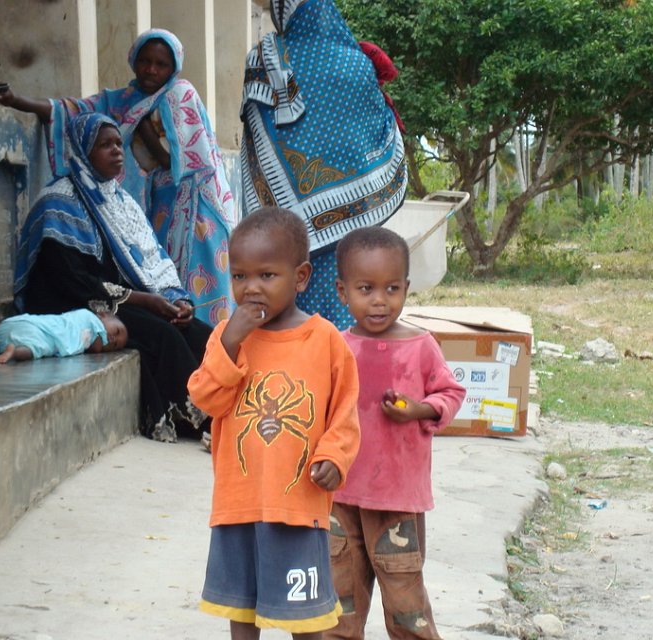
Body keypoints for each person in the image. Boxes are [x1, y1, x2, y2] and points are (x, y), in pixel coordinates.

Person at [187, 206, 361, 638]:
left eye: (267, 275)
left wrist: (334, 457)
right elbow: (206, 399)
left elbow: (344, 413)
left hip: (298, 506)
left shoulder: (325, 340)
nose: (251, 288)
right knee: (241, 609)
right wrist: (230, 342)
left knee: (306, 615)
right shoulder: (226, 337)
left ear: (300, 277)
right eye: (240, 276)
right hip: (238, 502)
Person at [0, 28, 236, 325]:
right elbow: (69, 110)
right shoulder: (124, 100)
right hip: (161, 203)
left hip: (196, 206)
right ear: (134, 61)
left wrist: (143, 128)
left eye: (161, 64)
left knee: (201, 277)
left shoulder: (180, 94)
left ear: (173, 69)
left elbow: (178, 163)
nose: (151, 70)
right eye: (145, 61)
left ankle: (211, 341)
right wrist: (15, 100)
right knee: (160, 271)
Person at [14, 111, 213, 443]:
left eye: (119, 143)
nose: (117, 151)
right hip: (72, 302)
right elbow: (70, 280)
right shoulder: (58, 201)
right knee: (163, 335)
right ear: (83, 150)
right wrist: (144, 301)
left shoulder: (119, 200)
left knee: (195, 329)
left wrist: (176, 299)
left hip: (115, 297)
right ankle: (196, 419)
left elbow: (150, 257)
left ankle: (225, 406)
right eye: (105, 145)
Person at [327, 227, 465, 639]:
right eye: (365, 288)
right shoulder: (337, 347)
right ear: (342, 291)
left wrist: (419, 409)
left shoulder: (421, 346)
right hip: (340, 496)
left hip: (397, 500)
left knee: (406, 605)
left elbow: (450, 392)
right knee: (338, 603)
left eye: (391, 289)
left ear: (406, 288)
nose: (379, 300)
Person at [240, 0, 406, 330]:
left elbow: (256, 136)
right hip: (355, 215)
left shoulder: (265, 58)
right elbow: (381, 127)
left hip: (287, 223)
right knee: (352, 298)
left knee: (293, 313)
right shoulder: (358, 63)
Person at [0, 309, 127, 364]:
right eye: (117, 331)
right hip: (47, 335)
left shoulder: (79, 317)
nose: (114, 339)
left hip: (27, 321)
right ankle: (12, 352)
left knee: (5, 337)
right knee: (33, 350)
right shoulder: (93, 322)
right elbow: (96, 348)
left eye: (115, 345)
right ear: (103, 314)